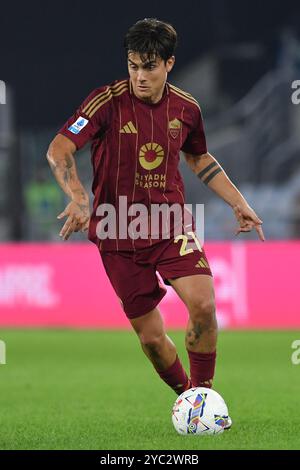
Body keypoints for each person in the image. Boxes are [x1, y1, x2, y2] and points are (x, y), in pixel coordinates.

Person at [47, 18, 265, 429]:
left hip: (169, 225)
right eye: (133, 66)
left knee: (202, 305)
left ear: (169, 64)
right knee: (150, 338)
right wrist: (78, 196)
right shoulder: (105, 102)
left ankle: (204, 398)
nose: (139, 76)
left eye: (149, 66)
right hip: (116, 232)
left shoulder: (187, 109)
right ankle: (191, 402)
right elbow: (59, 149)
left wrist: (239, 202)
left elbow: (198, 158)